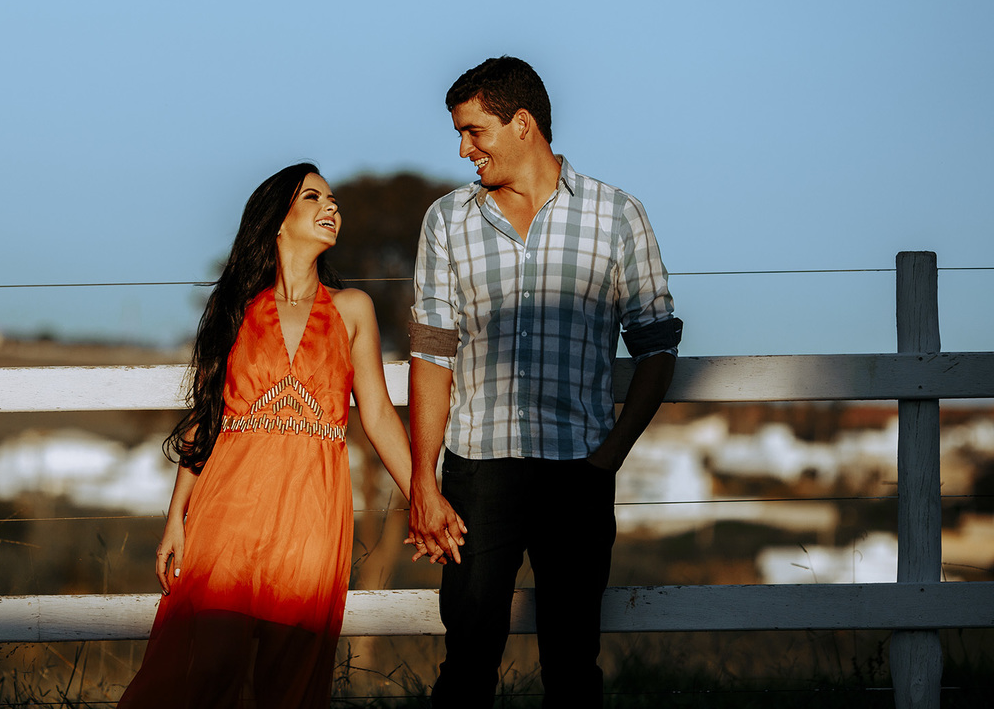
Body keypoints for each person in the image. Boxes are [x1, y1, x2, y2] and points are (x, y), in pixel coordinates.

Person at [407, 56, 682, 708]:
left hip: (578, 471)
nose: (463, 148)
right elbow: (432, 354)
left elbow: (656, 345)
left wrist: (608, 456)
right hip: (478, 467)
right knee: (468, 661)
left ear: (521, 123)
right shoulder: (447, 221)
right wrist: (424, 479)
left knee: (572, 665)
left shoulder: (617, 216)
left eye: (474, 131)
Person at [118, 163, 417, 709]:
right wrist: (175, 519)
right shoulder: (236, 308)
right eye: (313, 198)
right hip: (228, 507)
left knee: (289, 674)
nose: (332, 208)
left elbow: (376, 414)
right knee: (205, 663)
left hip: (312, 511)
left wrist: (425, 495)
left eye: (334, 200)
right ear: (278, 220)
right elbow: (206, 419)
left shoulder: (353, 310)